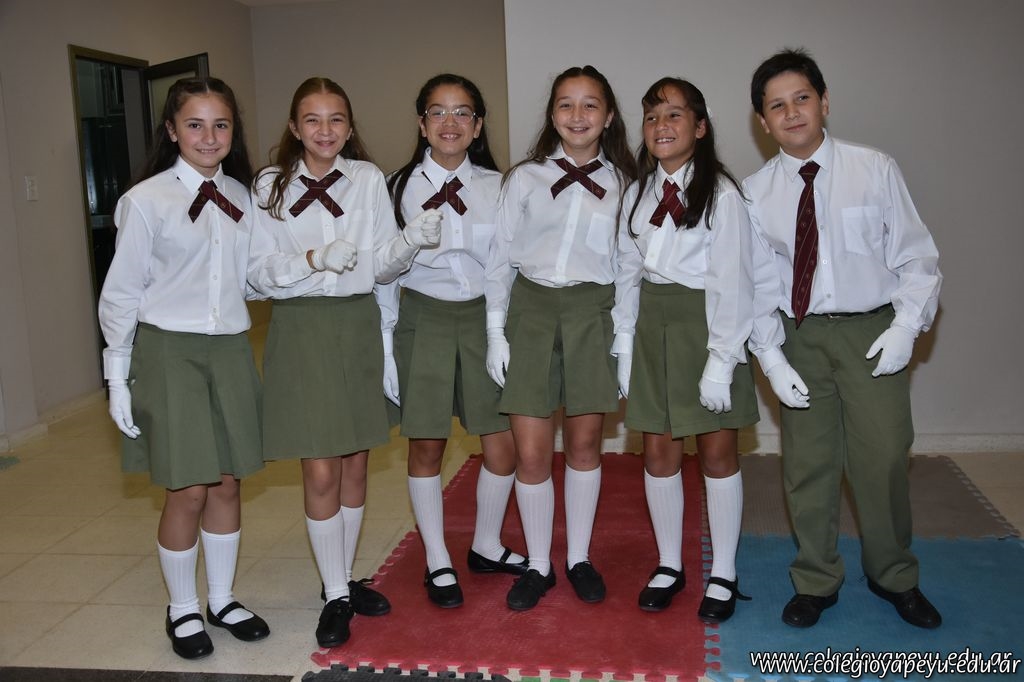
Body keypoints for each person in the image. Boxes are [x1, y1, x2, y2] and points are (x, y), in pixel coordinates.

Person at [744, 48, 943, 629]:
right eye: (776, 106)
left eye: (802, 98)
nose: (792, 112)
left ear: (825, 102)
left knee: (883, 456)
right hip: (800, 335)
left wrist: (905, 327)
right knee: (808, 464)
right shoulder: (753, 193)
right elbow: (755, 283)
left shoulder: (873, 168)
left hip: (871, 331)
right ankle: (815, 578)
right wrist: (771, 355)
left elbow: (916, 256)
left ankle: (894, 574)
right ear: (763, 122)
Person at [248, 77, 440, 647]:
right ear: (293, 126)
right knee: (321, 467)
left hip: (357, 325)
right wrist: (312, 258)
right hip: (302, 328)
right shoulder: (269, 186)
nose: (325, 130)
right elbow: (256, 275)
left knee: (356, 462)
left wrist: (410, 241)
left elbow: (380, 266)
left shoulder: (367, 179)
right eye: (312, 119)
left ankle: (345, 578)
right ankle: (334, 593)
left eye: (336, 119)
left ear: (350, 126)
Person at [98, 77, 269, 660]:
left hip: (230, 349)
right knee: (188, 487)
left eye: (221, 125)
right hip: (169, 351)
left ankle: (221, 598)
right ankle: (183, 607)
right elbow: (122, 293)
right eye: (195, 124)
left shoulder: (243, 197)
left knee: (227, 481)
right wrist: (116, 375)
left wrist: (311, 265)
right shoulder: (146, 201)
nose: (209, 136)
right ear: (171, 130)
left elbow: (252, 278)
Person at [485, 65, 637, 611]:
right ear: (552, 114)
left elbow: (629, 269)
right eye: (566, 104)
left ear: (609, 116)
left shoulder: (627, 186)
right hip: (529, 311)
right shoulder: (523, 178)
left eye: (590, 104)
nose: (578, 115)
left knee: (584, 445)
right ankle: (537, 563)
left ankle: (578, 558)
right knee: (530, 453)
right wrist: (495, 331)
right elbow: (499, 258)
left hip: (592, 313)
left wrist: (624, 340)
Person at [613, 78, 758, 622]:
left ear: (699, 127)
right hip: (652, 326)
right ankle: (669, 563)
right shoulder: (636, 194)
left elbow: (734, 282)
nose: (661, 126)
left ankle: (724, 571)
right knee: (658, 453)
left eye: (674, 115)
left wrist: (722, 360)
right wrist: (624, 343)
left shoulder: (722, 194)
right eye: (652, 117)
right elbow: (626, 272)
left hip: (708, 324)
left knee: (717, 453)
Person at [386, 74, 527, 609]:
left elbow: (507, 264)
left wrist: (501, 330)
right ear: (421, 124)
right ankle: (437, 557)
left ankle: (486, 544)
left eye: (463, 112)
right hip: (422, 317)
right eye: (438, 112)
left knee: (503, 445)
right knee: (427, 444)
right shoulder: (395, 187)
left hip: (485, 318)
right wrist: (384, 343)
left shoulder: (499, 187)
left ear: (478, 125)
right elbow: (384, 274)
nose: (451, 123)